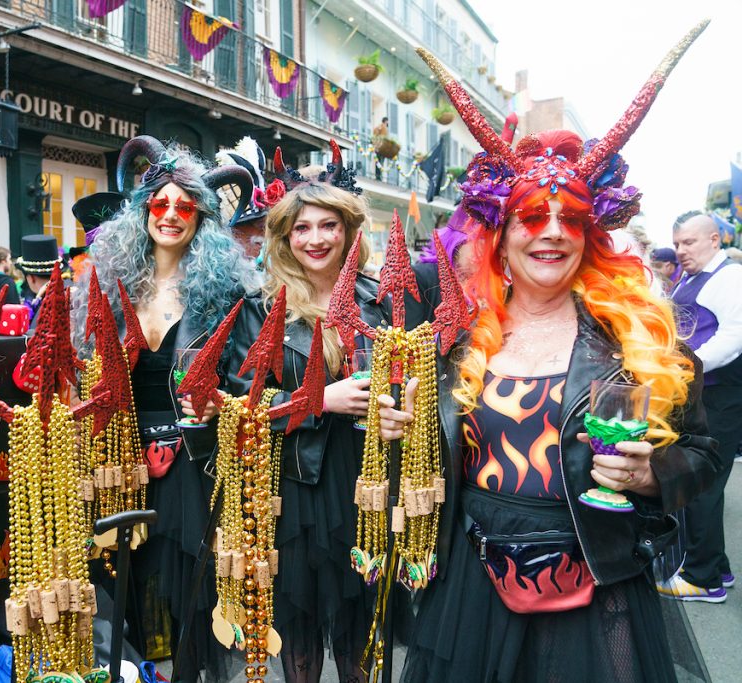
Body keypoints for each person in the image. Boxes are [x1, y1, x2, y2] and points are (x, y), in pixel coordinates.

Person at [377, 32, 717, 682]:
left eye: (570, 218)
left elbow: (703, 454)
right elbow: (427, 462)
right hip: (473, 591)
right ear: (500, 238)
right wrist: (402, 430)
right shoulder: (454, 339)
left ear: (591, 236)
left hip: (597, 584)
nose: (553, 231)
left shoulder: (637, 339)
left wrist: (652, 473)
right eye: (532, 216)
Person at [71, 135, 256, 681]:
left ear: (201, 218)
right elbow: (81, 369)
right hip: (116, 460)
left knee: (191, 602)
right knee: (121, 593)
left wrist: (222, 405)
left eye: (186, 206)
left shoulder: (225, 291)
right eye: (160, 203)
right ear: (142, 210)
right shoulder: (108, 283)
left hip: (192, 465)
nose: (171, 216)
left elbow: (243, 380)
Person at [226, 159, 387, 683]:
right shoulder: (260, 307)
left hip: (367, 481)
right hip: (295, 488)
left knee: (361, 632)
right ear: (285, 237)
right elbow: (240, 403)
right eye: (302, 227)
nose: (315, 239)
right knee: (300, 633)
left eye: (328, 225)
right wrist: (319, 399)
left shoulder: (379, 302)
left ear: (347, 231)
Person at [658, 214, 742, 602]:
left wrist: (688, 366)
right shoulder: (691, 278)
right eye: (677, 244)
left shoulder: (729, 278)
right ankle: (717, 568)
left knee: (702, 485)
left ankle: (702, 577)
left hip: (718, 396)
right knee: (700, 482)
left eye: (688, 243)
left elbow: (734, 337)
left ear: (713, 239)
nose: (680, 251)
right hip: (698, 393)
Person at [372, 116, 389, 181]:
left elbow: (375, 135)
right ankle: (378, 176)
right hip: (381, 147)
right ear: (386, 121)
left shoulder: (378, 127)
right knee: (380, 162)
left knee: (378, 162)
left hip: (377, 147)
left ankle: (378, 176)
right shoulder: (383, 127)